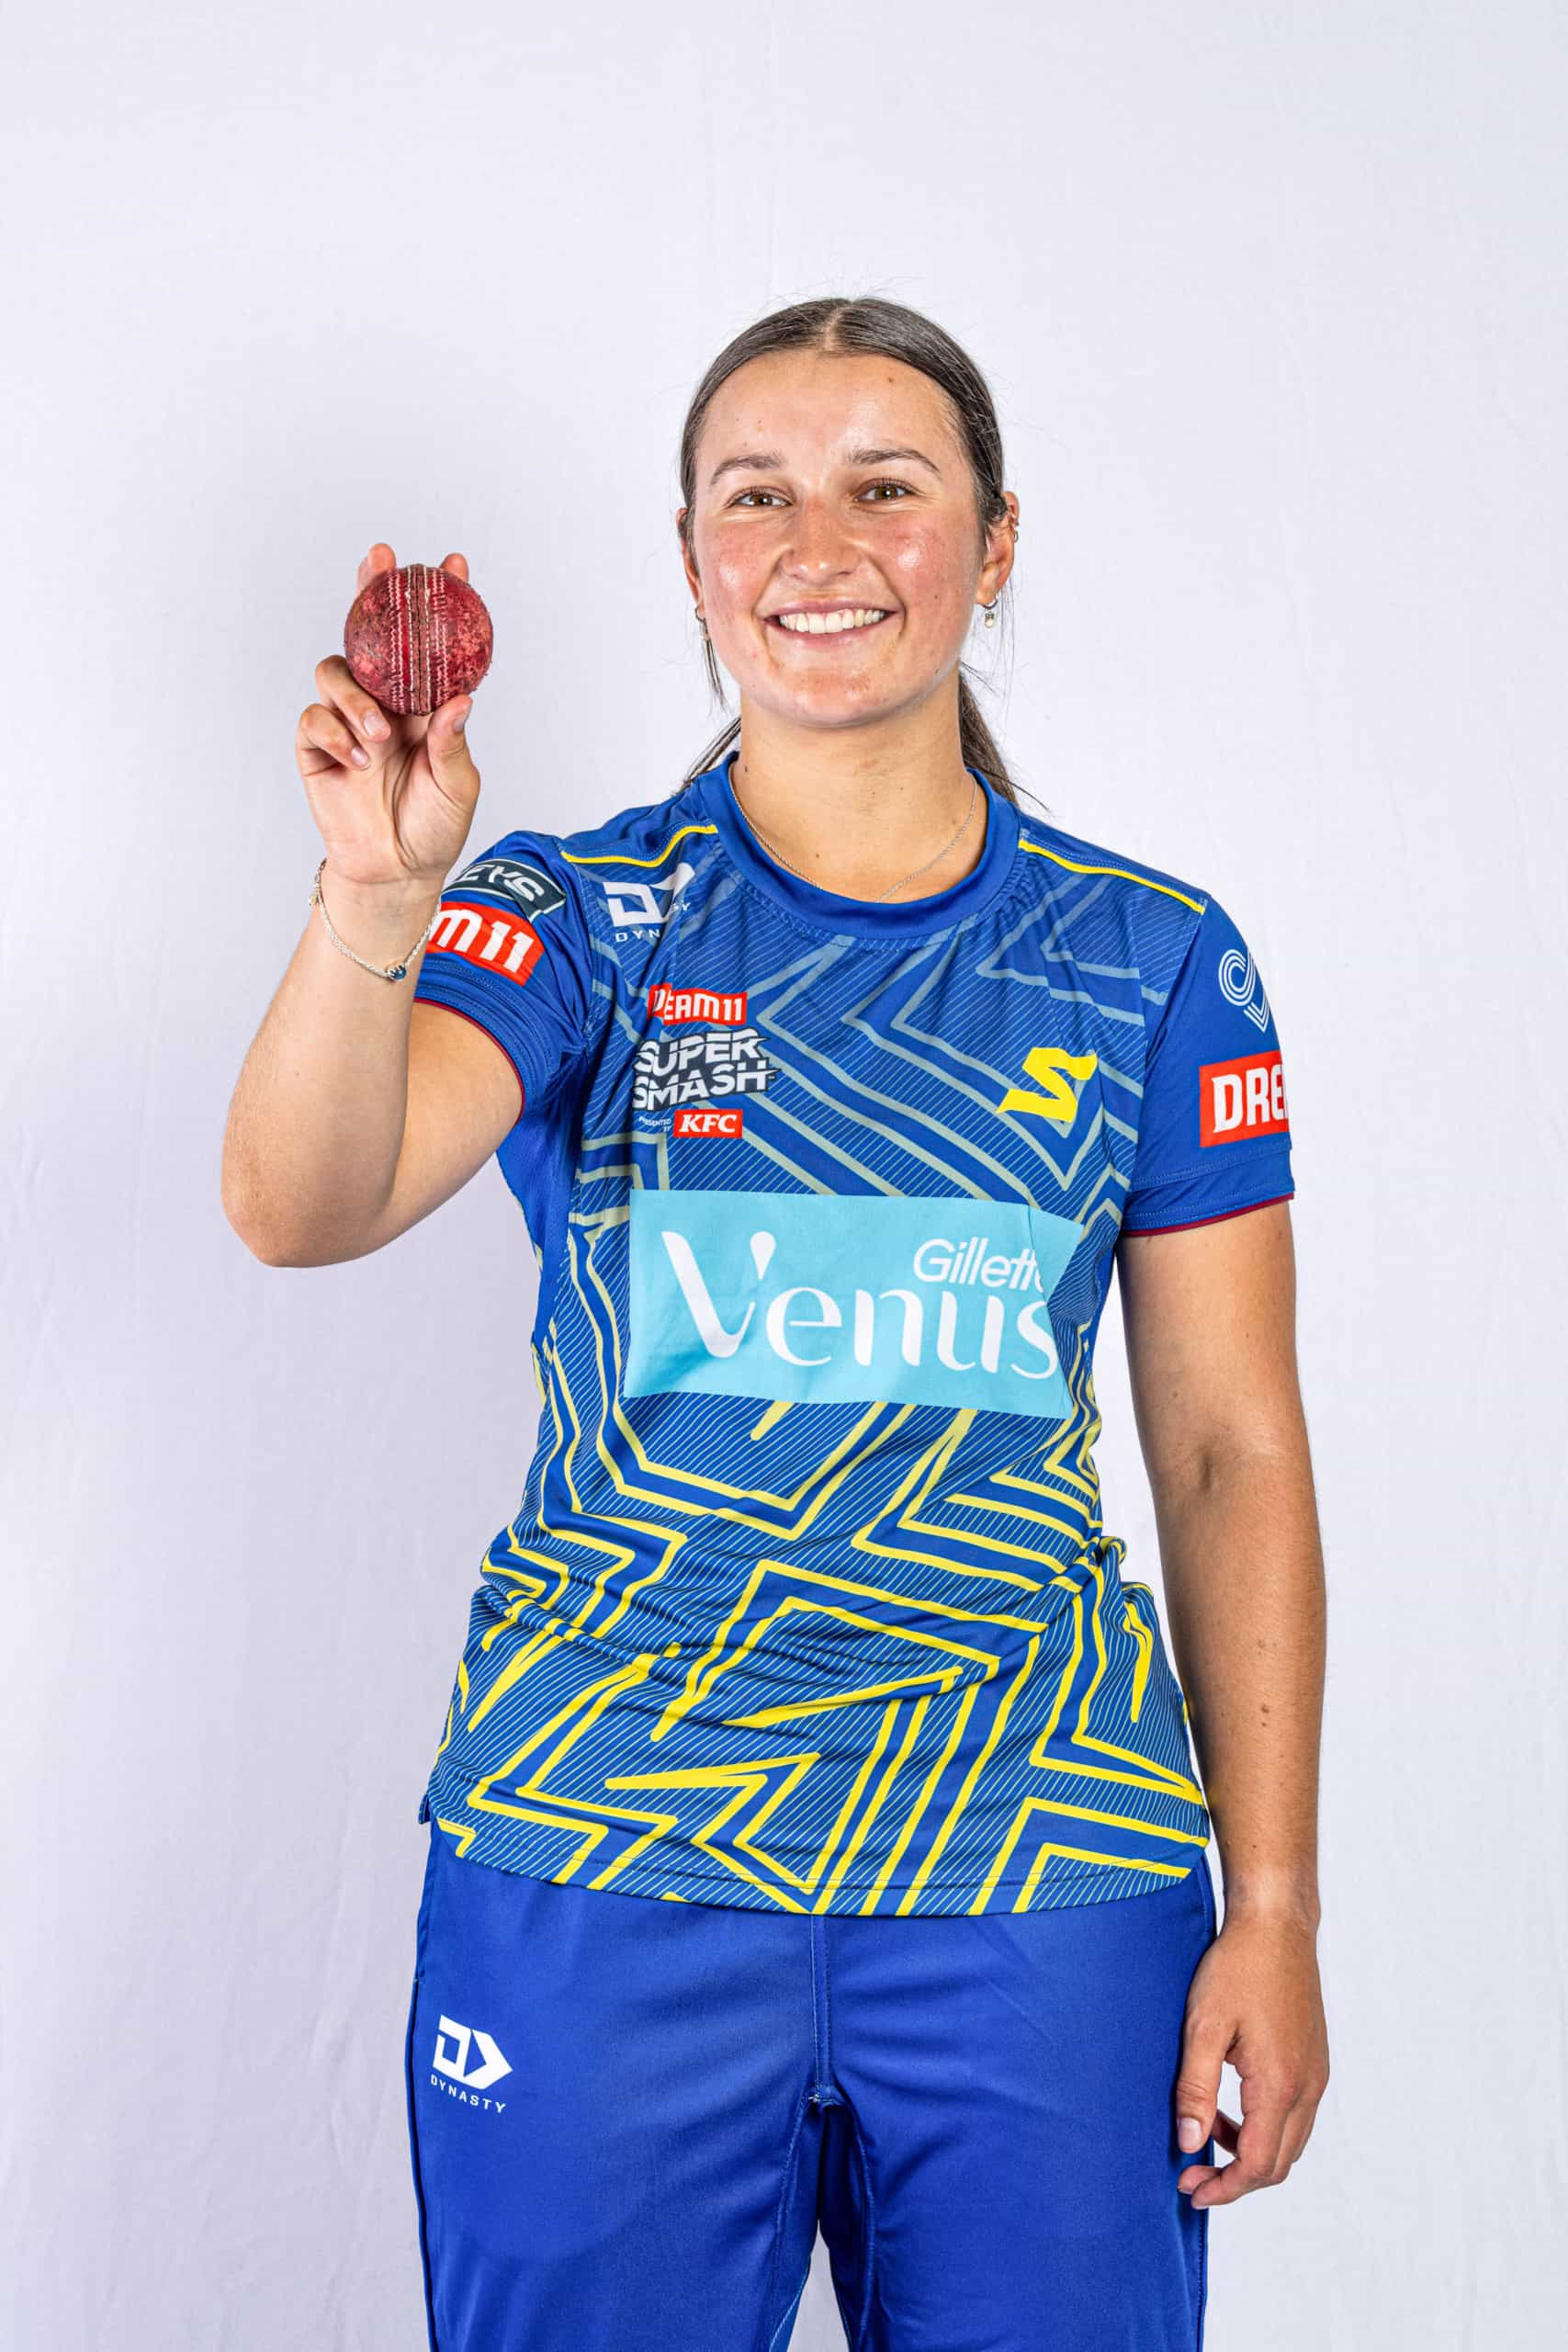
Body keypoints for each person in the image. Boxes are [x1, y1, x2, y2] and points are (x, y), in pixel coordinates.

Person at [222, 294, 1329, 2352]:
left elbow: (1226, 1451)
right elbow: (305, 1202)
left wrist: (1270, 1904)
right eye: (759, 496)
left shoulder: (1155, 958)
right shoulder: (574, 910)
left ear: (991, 544)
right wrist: (371, 902)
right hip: (605, 1837)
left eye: (885, 489)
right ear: (692, 559)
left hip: (1040, 1867)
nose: (818, 545)